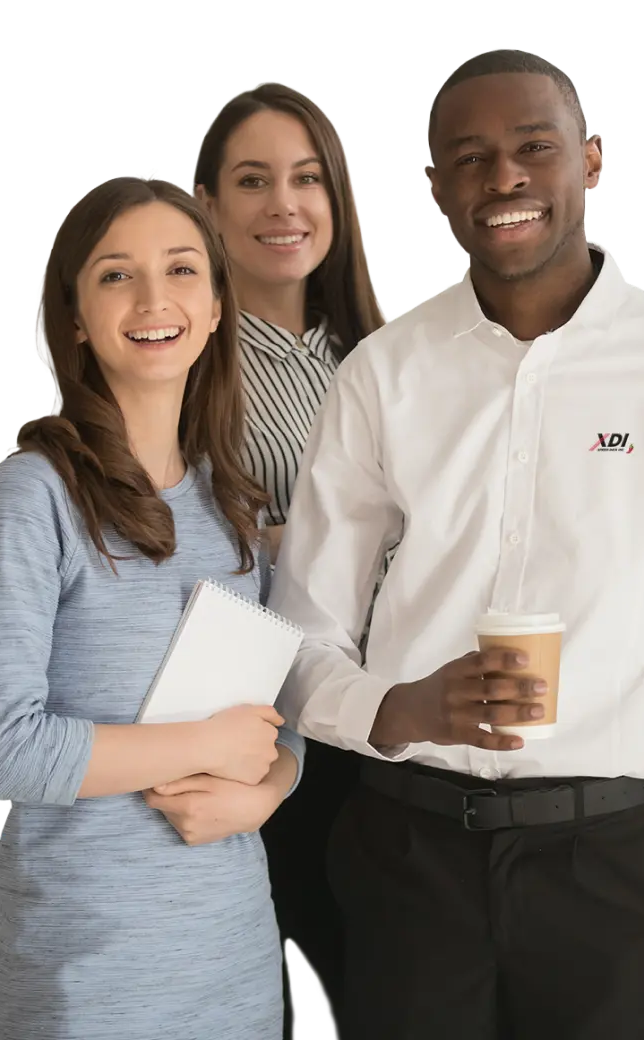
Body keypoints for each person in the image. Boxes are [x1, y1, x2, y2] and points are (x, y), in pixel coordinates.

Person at [267, 47, 644, 1040]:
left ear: (589, 160)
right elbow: (301, 641)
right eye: (466, 157)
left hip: (617, 868)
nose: (501, 177)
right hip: (408, 855)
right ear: (432, 185)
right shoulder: (384, 377)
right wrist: (398, 706)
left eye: (531, 148)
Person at [0, 175, 306, 1039]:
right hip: (94, 987)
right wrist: (201, 746)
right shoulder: (32, 498)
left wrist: (274, 784)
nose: (155, 299)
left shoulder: (235, 504)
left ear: (220, 305)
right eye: (116, 275)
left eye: (183, 270)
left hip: (236, 969)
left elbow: (278, 715)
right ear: (73, 317)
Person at [192, 79, 385, 1034]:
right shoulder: (192, 362)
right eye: (254, 181)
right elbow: (189, 547)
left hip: (390, 729)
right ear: (212, 209)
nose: (285, 204)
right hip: (267, 731)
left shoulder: (379, 354)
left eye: (308, 178)